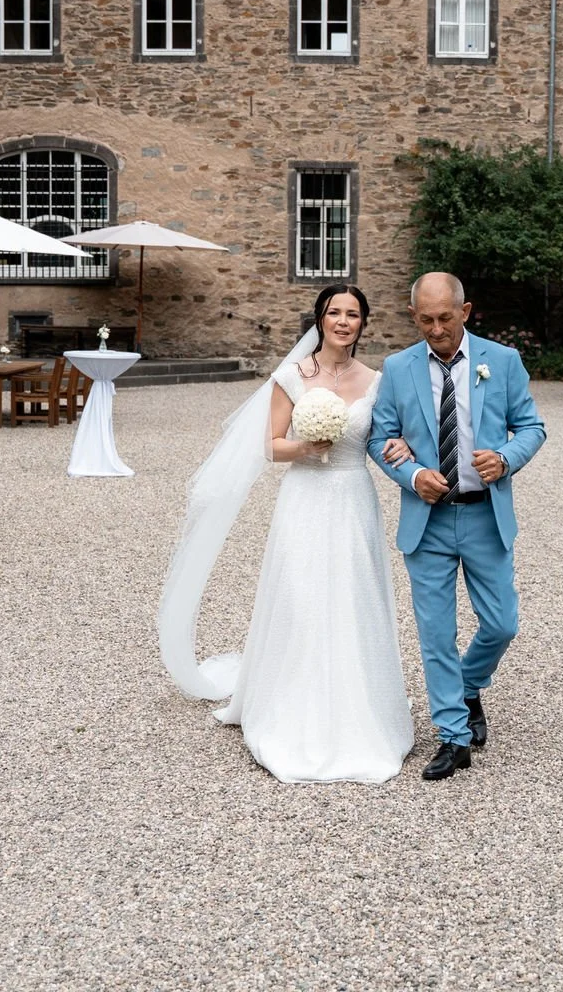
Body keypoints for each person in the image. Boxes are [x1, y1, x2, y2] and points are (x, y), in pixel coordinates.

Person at [157, 284, 414, 783]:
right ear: (319, 319)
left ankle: (359, 705)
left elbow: (386, 438)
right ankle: (290, 705)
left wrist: (402, 449)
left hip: (354, 498)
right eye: (334, 312)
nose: (343, 321)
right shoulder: (291, 375)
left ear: (364, 323)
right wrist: (307, 447)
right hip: (305, 498)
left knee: (353, 596)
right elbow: (270, 446)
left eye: (353, 314)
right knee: (301, 596)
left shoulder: (378, 380)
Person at [368, 273, 547, 780]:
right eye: (425, 319)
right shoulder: (398, 368)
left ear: (466, 312)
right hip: (426, 521)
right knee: (435, 634)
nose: (436, 328)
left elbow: (532, 426)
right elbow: (379, 435)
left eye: (446, 318)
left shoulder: (503, 361)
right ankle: (452, 734)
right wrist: (410, 472)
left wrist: (507, 458)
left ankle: (469, 687)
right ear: (414, 317)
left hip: (484, 514)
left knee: (501, 622)